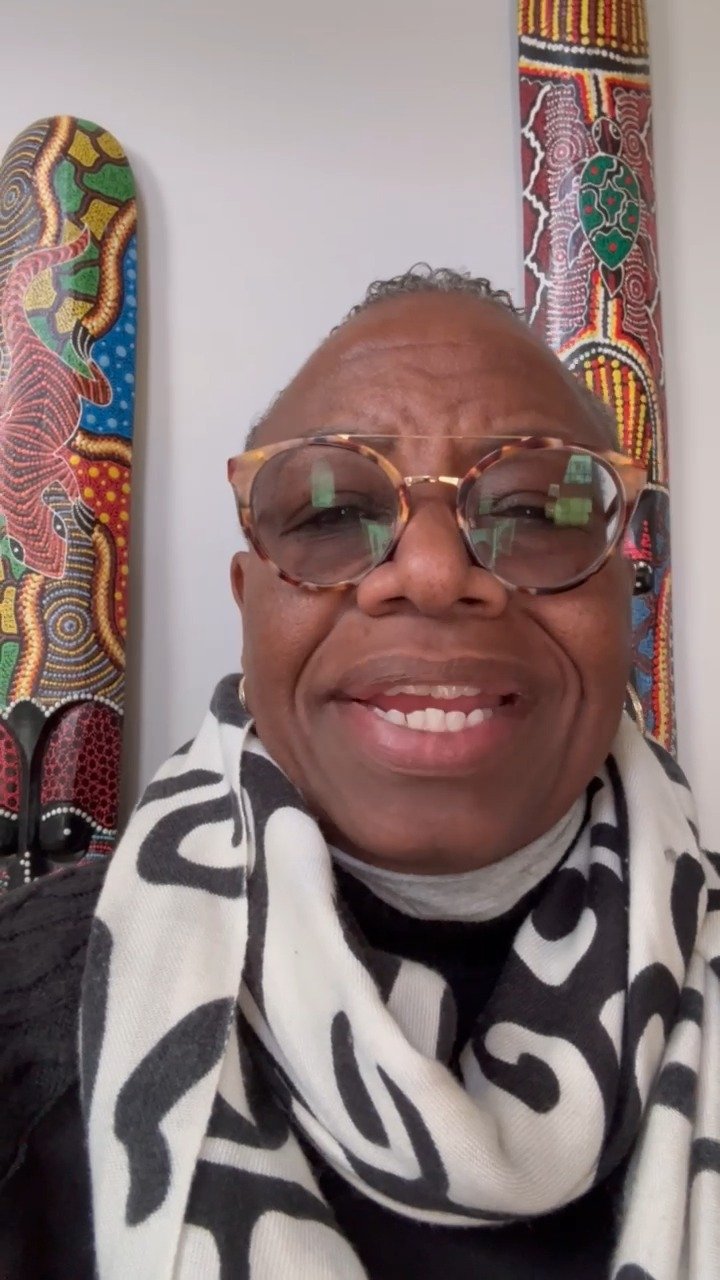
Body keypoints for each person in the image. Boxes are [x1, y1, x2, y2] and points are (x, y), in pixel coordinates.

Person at [1, 266, 718, 1280]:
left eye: (533, 507)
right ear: (248, 605)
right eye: (331, 511)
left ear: (623, 598)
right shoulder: (26, 1029)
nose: (431, 573)